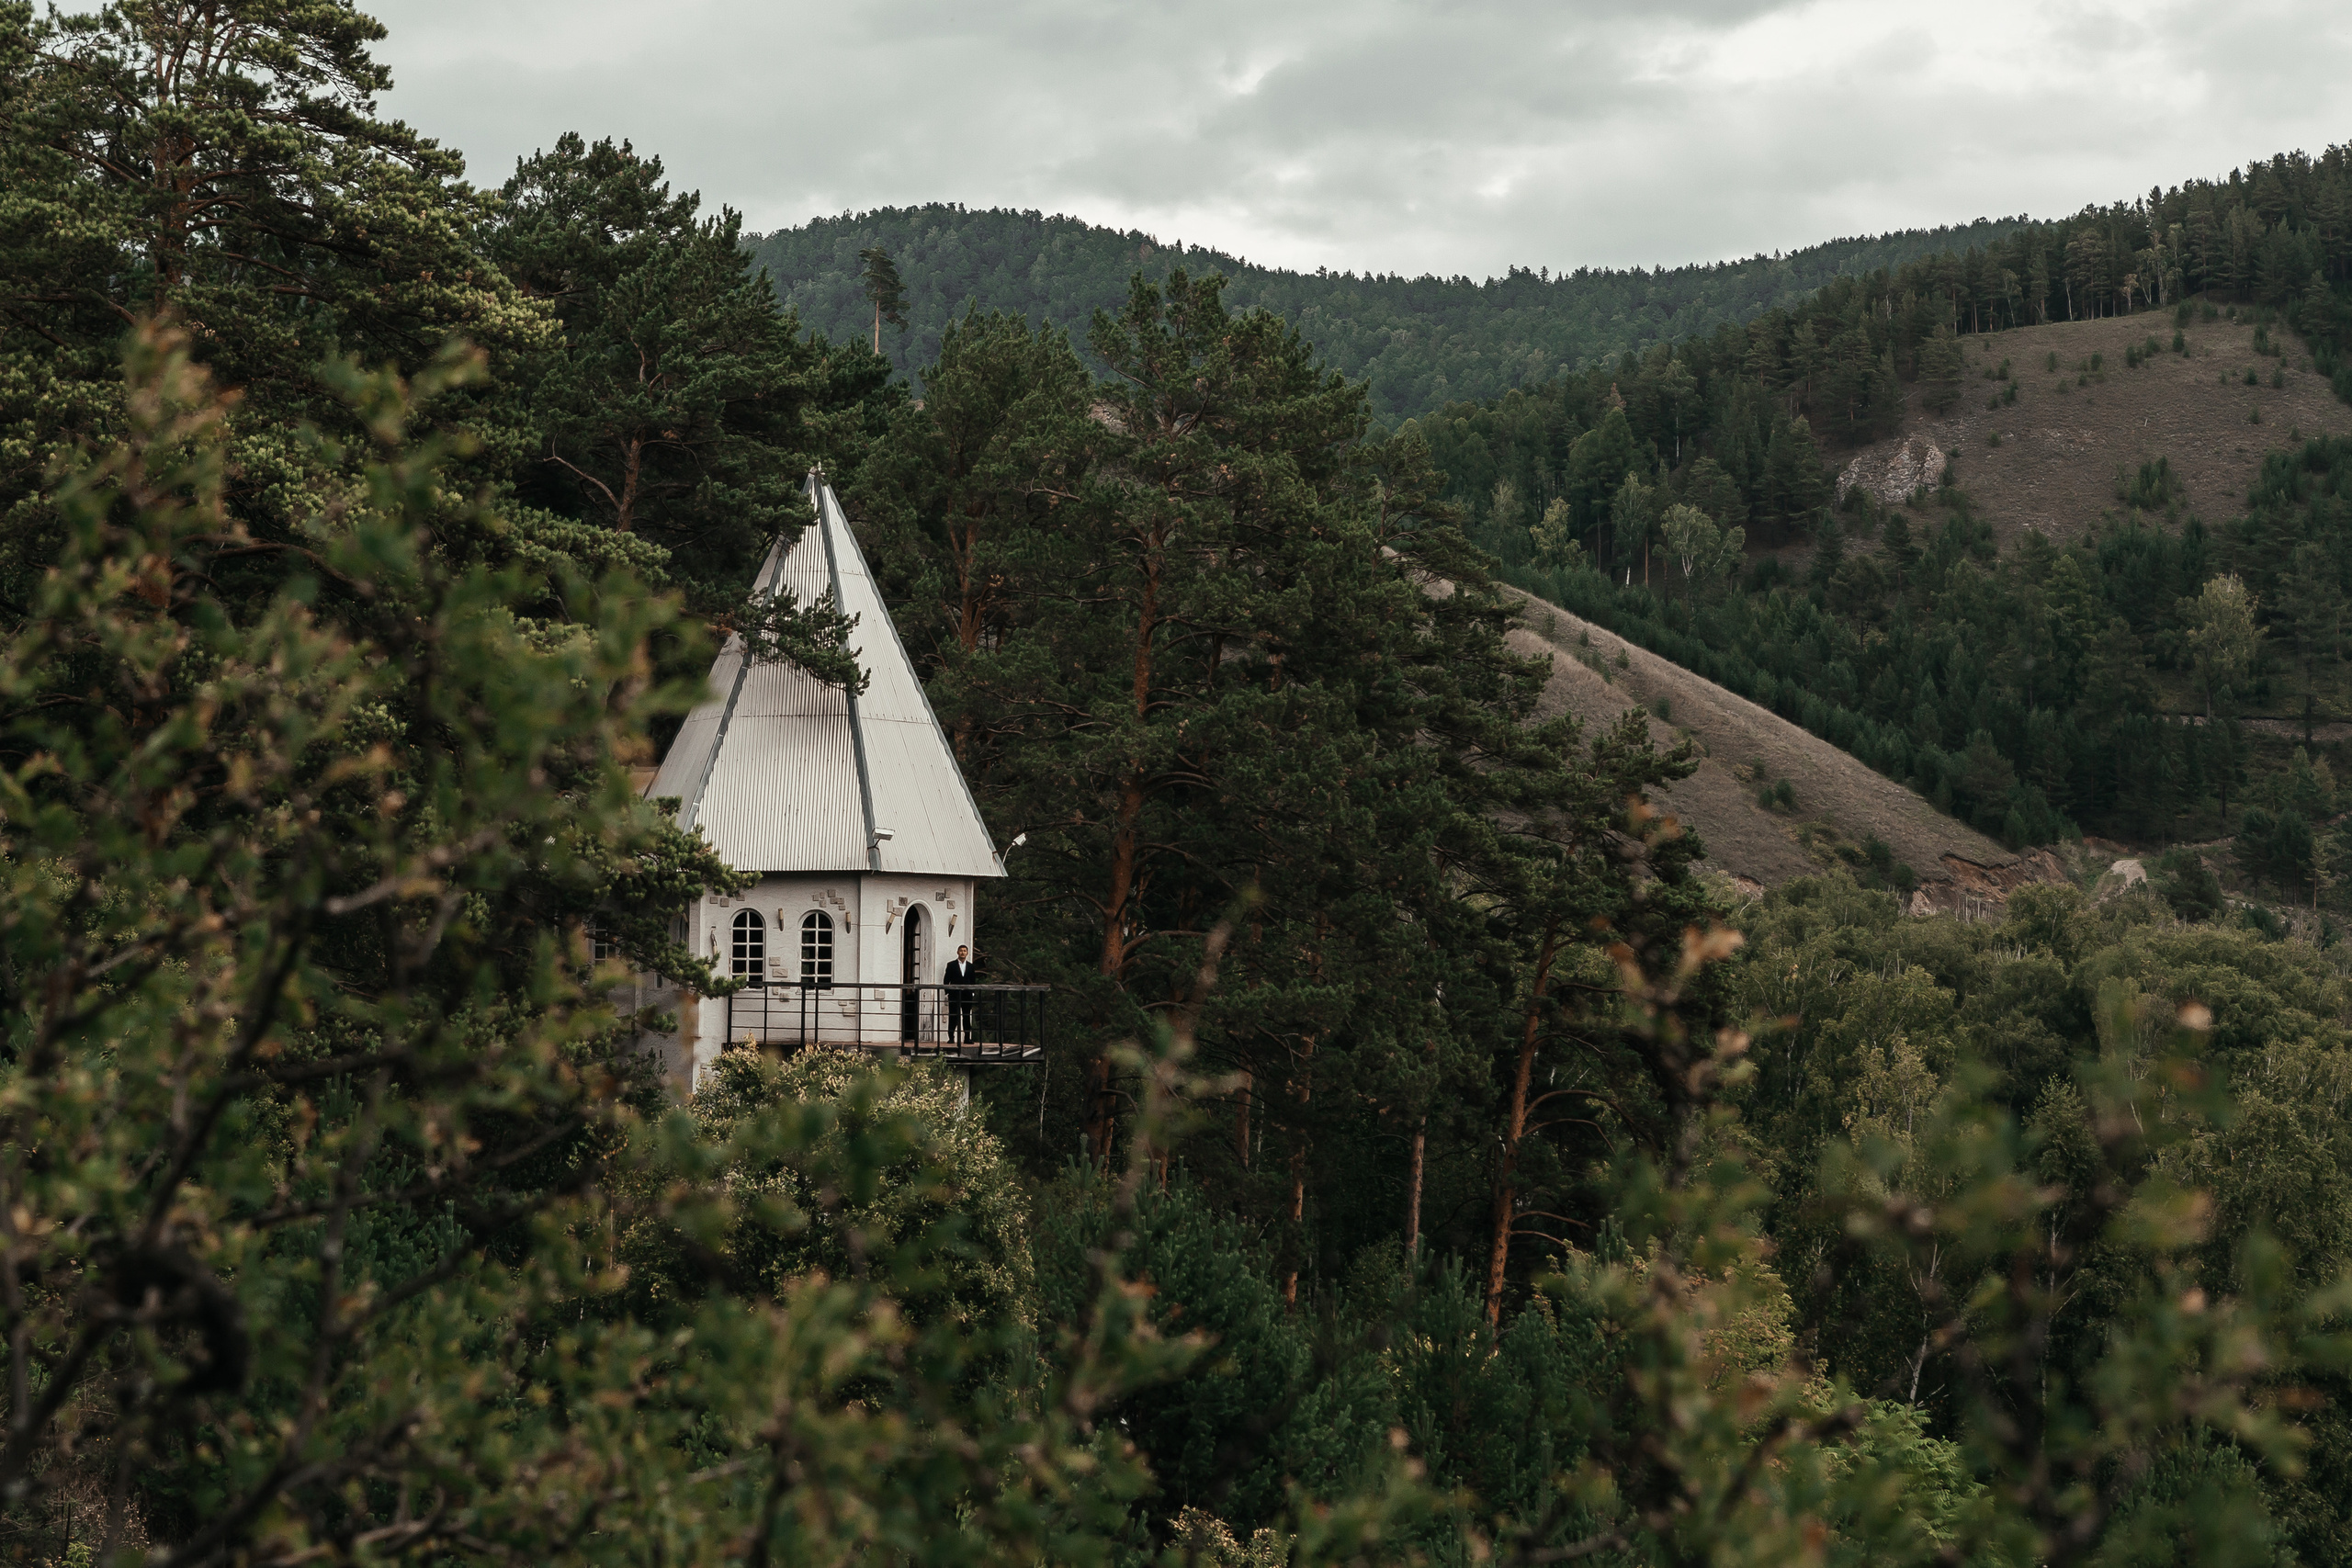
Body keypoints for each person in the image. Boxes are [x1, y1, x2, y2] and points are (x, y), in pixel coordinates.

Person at [944, 944, 978, 1044]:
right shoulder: (951, 965)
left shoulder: (971, 966)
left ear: (967, 953)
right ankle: (951, 1037)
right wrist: (947, 992)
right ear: (957, 952)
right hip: (954, 994)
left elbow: (973, 980)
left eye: (964, 951)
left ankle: (967, 1038)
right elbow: (946, 980)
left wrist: (972, 992)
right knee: (953, 1016)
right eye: (961, 950)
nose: (963, 952)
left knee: (966, 1016)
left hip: (967, 994)